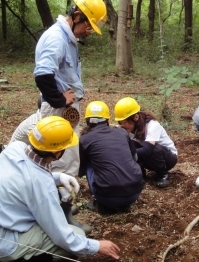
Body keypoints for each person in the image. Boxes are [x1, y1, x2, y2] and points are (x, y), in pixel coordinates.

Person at [0, 116, 120, 261]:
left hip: (6, 217)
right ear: (57, 152)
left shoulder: (15, 148)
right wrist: (96, 246)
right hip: (6, 241)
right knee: (77, 235)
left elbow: (26, 173)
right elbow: (61, 235)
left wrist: (57, 177)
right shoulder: (41, 186)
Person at [33, 0, 107, 176]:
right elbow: (43, 74)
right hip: (59, 108)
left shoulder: (68, 38)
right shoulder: (56, 38)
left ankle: (62, 191)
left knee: (69, 154)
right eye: (88, 25)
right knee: (60, 157)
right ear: (76, 16)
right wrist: (59, 100)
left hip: (65, 107)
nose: (89, 31)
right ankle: (60, 196)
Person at [79, 101, 144, 214]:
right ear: (108, 120)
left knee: (89, 162)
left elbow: (80, 169)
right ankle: (123, 201)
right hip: (135, 191)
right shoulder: (122, 133)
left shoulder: (85, 140)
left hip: (107, 198)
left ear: (87, 121)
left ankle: (98, 200)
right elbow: (135, 158)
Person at [114, 97, 178, 188]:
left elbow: (148, 149)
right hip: (150, 158)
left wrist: (127, 155)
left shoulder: (152, 125)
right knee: (131, 144)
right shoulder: (128, 128)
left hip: (168, 158)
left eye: (125, 122)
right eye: (121, 123)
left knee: (154, 148)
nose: (123, 125)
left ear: (136, 117)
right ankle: (140, 172)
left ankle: (162, 174)